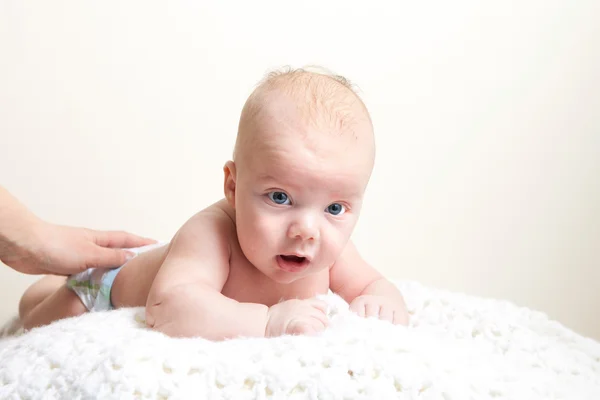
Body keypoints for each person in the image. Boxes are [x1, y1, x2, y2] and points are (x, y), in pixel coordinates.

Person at [18, 67, 409, 339]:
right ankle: (55, 283)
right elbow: (169, 306)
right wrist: (267, 321)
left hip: (167, 262)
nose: (307, 229)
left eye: (335, 209)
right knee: (34, 318)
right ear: (234, 187)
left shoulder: (328, 248)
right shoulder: (212, 233)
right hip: (109, 287)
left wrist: (384, 300)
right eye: (280, 197)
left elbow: (372, 284)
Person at [0, 186, 155, 275]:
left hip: (99, 280)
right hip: (103, 281)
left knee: (31, 306)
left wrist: (32, 239)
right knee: (31, 304)